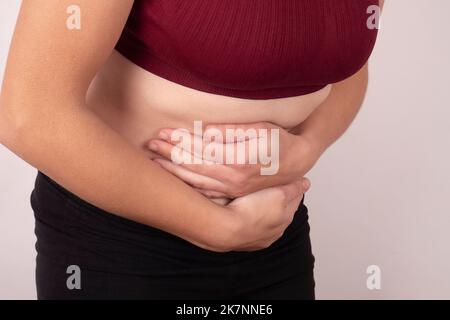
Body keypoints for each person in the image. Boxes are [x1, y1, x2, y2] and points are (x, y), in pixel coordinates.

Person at [0, 0, 382, 299]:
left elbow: (346, 66)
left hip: (272, 230)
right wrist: (221, 228)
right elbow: (30, 116)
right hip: (121, 246)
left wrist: (305, 149)